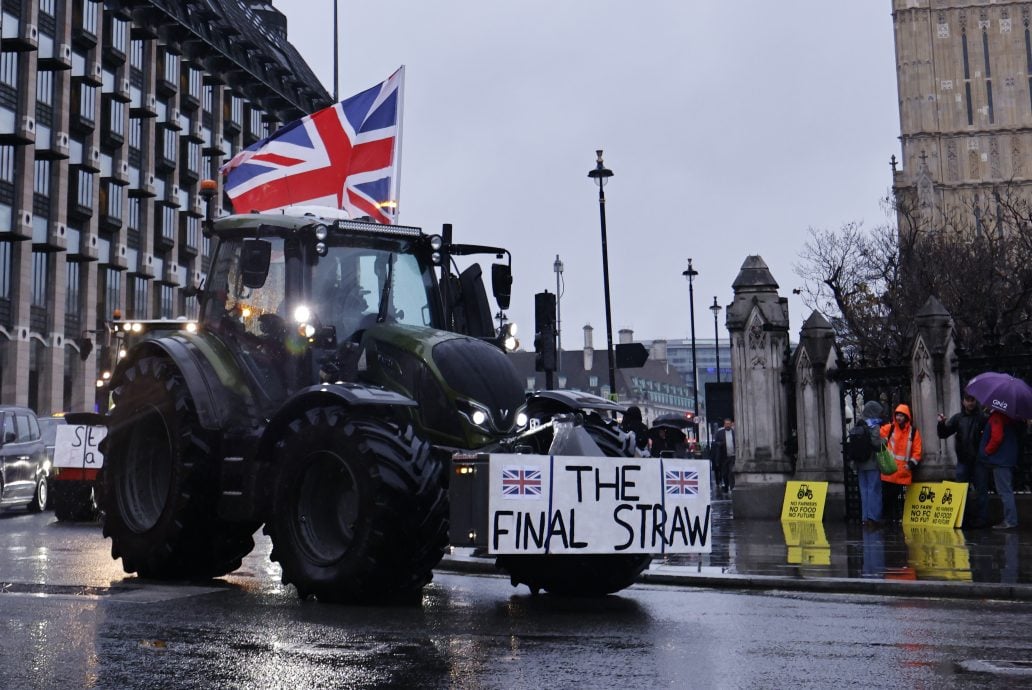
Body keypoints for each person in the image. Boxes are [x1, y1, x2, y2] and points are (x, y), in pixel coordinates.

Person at [974, 408, 1020, 530]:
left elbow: (997, 438)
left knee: (1005, 491)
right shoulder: (1007, 416)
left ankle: (1010, 521)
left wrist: (986, 451)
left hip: (1001, 460)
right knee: (1006, 490)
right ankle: (1011, 520)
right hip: (1006, 458)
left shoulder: (997, 416)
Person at [879, 403, 923, 523]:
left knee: (898, 499)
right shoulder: (890, 428)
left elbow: (917, 451)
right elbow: (877, 436)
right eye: (897, 415)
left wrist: (910, 465)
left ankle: (895, 519)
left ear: (907, 417)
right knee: (888, 499)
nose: (899, 418)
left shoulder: (913, 432)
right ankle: (889, 519)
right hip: (890, 471)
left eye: (901, 415)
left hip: (902, 471)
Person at [849, 401, 885, 527]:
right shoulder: (873, 424)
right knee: (873, 489)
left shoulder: (858, 422)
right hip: (871, 462)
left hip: (859, 463)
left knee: (864, 491)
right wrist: (885, 440)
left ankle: (865, 517)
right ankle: (873, 518)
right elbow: (876, 443)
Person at [937, 394, 986, 483]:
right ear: (963, 402)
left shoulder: (982, 418)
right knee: (961, 491)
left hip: (979, 461)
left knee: (981, 490)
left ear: (975, 401)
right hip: (963, 461)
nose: (970, 403)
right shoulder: (958, 418)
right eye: (968, 400)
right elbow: (943, 434)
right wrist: (941, 424)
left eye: (972, 400)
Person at [711, 419, 736, 493]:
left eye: (729, 424)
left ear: (731, 424)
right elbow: (715, 443)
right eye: (726, 424)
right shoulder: (720, 433)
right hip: (724, 456)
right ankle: (726, 485)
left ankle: (732, 487)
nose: (727, 425)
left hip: (732, 456)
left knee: (731, 471)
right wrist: (720, 443)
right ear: (724, 425)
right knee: (724, 473)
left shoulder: (734, 433)